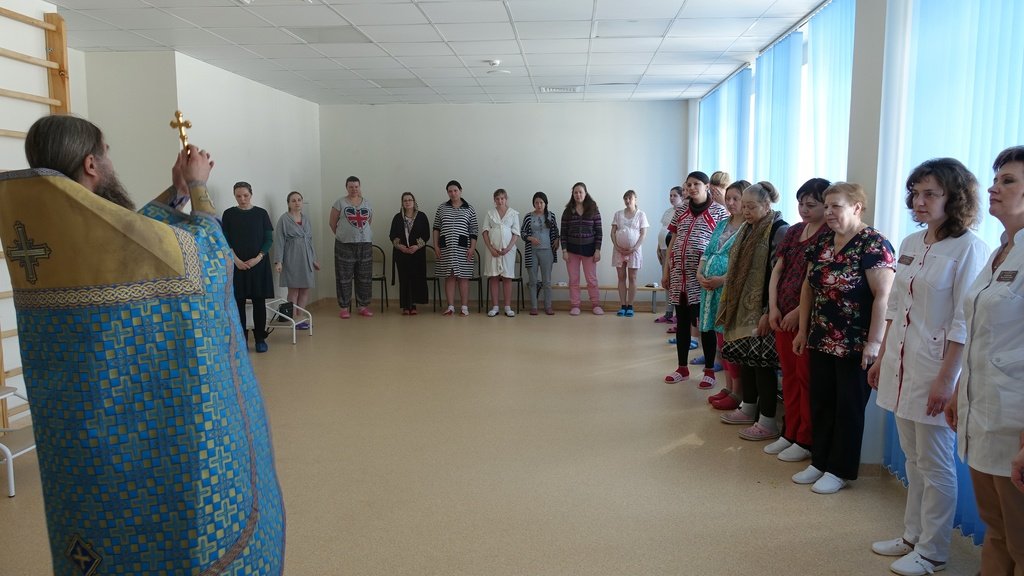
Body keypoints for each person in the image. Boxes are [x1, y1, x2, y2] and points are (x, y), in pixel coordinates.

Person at [2, 115, 284, 573]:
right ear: (91, 164)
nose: (110, 162)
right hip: (139, 435)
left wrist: (175, 191)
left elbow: (127, 232)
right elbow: (212, 260)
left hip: (76, 440)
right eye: (106, 153)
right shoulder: (94, 234)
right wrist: (198, 187)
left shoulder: (41, 235)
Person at [863, 159, 988, 576]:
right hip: (901, 365)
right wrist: (882, 356)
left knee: (935, 464)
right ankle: (912, 535)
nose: (919, 201)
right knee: (913, 458)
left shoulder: (969, 248)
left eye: (930, 193)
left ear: (955, 198)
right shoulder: (912, 242)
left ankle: (933, 551)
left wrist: (947, 381)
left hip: (937, 370)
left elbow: (964, 322)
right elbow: (896, 306)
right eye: (915, 193)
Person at [946, 145, 1024, 575]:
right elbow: (981, 334)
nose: (994, 188)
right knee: (996, 530)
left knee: (1022, 540)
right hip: (984, 414)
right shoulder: (1001, 251)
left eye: (1008, 181)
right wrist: (960, 389)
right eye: (995, 179)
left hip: (1016, 424)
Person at [792, 182, 895, 494]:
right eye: (826, 206)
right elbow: (808, 287)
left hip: (855, 342)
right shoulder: (824, 240)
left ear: (856, 207)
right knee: (821, 402)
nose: (829, 212)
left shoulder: (873, 244)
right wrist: (803, 329)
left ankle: (840, 469)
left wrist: (875, 342)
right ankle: (820, 461)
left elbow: (884, 296)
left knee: (848, 407)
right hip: (821, 336)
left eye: (836, 206)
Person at [764, 178, 831, 461]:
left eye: (811, 204)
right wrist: (773, 308)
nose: (804, 209)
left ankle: (805, 439)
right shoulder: (793, 231)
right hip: (781, 315)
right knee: (788, 377)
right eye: (801, 203)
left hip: (807, 320)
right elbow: (778, 271)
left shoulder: (829, 235)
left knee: (806, 379)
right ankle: (789, 432)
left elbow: (816, 281)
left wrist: (797, 313)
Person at [717, 182, 789, 441]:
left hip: (765, 307)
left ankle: (767, 421)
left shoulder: (779, 230)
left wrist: (769, 310)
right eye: (744, 206)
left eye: (751, 206)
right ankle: (748, 407)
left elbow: (780, 275)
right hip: (743, 307)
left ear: (767, 205)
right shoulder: (747, 228)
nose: (745, 211)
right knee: (746, 359)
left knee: (763, 365)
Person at [662, 171, 729, 383]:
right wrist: (666, 270)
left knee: (705, 325)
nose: (691, 188)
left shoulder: (719, 212)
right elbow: (673, 239)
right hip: (678, 276)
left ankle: (709, 371)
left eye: (696, 184)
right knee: (682, 322)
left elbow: (724, 245)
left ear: (707, 186)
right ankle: (682, 368)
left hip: (702, 278)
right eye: (688, 184)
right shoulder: (681, 209)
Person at [699, 180, 749, 398]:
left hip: (729, 289)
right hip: (710, 290)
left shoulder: (749, 228)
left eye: (736, 198)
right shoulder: (722, 224)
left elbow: (746, 265)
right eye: (728, 198)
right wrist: (700, 273)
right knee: (720, 341)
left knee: (730, 341)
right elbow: (708, 251)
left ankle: (737, 392)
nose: (730, 203)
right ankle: (727, 387)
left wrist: (722, 280)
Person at [223, 181, 275, 353]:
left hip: (258, 264)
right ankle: (242, 339)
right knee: (238, 302)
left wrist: (258, 258)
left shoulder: (261, 213)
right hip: (237, 264)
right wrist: (236, 260)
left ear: (251, 194)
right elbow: (225, 240)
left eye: (245, 195)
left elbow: (268, 239)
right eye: (238, 196)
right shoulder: (229, 214)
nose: (242, 199)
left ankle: (260, 338)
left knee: (259, 302)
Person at [272, 190, 320, 329]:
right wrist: (279, 261)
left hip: (306, 258)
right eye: (293, 200)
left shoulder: (306, 219)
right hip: (291, 257)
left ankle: (301, 318)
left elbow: (310, 240)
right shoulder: (284, 219)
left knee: (305, 289)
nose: (297, 203)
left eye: (299, 200)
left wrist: (314, 259)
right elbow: (279, 241)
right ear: (288, 203)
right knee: (294, 290)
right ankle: (292, 319)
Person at [330, 175, 374, 318]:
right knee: (344, 277)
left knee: (364, 276)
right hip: (344, 245)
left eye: (356, 186)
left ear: (359, 187)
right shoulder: (339, 203)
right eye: (351, 187)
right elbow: (332, 223)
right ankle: (344, 307)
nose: (354, 189)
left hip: (365, 245)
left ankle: (363, 306)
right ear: (346, 187)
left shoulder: (367, 203)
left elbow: (369, 221)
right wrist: (344, 235)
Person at [433, 180, 478, 316]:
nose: (453, 193)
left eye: (455, 190)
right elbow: (436, 228)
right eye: (450, 191)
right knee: (449, 276)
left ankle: (464, 307)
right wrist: (436, 246)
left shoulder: (469, 208)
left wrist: (472, 247)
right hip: (446, 248)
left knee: (463, 277)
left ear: (460, 191)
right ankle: (450, 307)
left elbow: (474, 230)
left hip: (463, 249)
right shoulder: (442, 208)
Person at [561, 182, 604, 315]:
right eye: (575, 192)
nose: (578, 195)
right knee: (574, 280)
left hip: (589, 250)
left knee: (591, 280)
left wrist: (597, 250)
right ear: (572, 194)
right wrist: (564, 250)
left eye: (580, 192)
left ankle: (595, 304)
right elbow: (563, 233)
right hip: (571, 251)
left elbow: (599, 232)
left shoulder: (593, 209)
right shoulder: (568, 211)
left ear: (585, 193)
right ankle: (575, 305)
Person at [389, 191, 431, 315]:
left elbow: (426, 234)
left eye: (410, 200)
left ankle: (413, 305)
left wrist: (417, 246)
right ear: (402, 203)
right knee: (404, 279)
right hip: (402, 254)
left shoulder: (422, 216)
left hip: (417, 253)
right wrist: (400, 246)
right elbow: (392, 235)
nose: (407, 202)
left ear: (414, 202)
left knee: (415, 278)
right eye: (405, 200)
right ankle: (405, 306)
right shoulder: (397, 217)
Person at [482, 188, 521, 317]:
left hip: (508, 251)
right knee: (493, 277)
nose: (500, 201)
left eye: (502, 198)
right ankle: (495, 307)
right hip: (492, 251)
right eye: (497, 199)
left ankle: (507, 307)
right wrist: (491, 249)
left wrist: (508, 248)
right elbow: (485, 232)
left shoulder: (513, 214)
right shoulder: (490, 213)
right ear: (494, 200)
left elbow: (516, 233)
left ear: (506, 199)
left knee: (507, 277)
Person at [610, 190, 649, 317]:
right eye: (625, 198)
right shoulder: (618, 214)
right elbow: (612, 232)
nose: (627, 201)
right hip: (619, 251)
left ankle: (630, 306)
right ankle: (622, 305)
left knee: (633, 278)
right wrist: (617, 246)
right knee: (621, 277)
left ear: (635, 199)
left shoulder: (641, 214)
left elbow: (643, 234)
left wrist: (634, 248)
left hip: (634, 251)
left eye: (630, 198)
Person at [522, 191, 560, 315]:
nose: (539, 205)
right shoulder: (528, 216)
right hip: (532, 252)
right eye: (536, 202)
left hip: (547, 252)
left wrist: (557, 239)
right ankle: (534, 306)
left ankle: (548, 306)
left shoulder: (551, 216)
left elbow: (555, 231)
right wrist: (530, 238)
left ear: (545, 203)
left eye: (541, 202)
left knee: (547, 281)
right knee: (533, 281)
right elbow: (522, 232)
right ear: (533, 203)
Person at [655, 186, 684, 324]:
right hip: (663, 249)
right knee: (666, 281)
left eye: (675, 195)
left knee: (675, 283)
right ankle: (668, 312)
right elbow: (663, 230)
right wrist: (658, 247)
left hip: (673, 251)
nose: (672, 198)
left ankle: (678, 315)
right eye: (670, 195)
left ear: (682, 197)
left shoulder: (683, 211)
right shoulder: (668, 211)